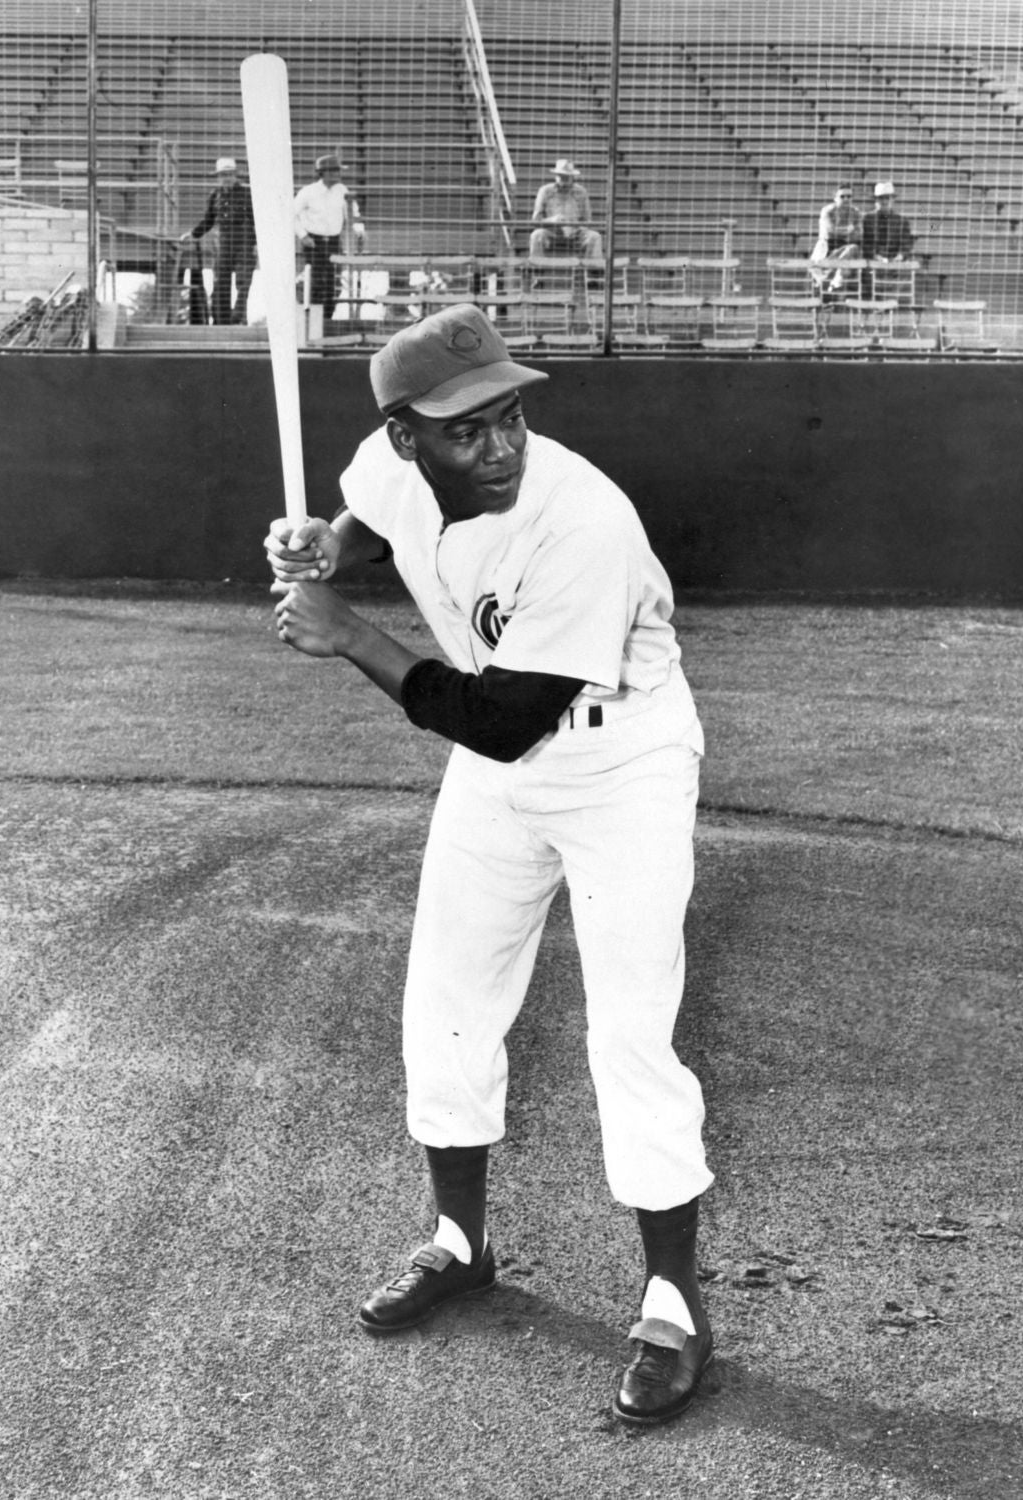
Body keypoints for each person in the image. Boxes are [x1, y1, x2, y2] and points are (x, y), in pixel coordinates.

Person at [264, 303, 715, 1428]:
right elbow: (370, 513)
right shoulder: (392, 457)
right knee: (446, 1004)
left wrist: (350, 633)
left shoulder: (583, 519)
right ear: (409, 435)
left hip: (622, 759)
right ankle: (459, 1243)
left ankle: (672, 1300)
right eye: (466, 428)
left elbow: (506, 718)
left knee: (627, 1026)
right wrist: (330, 544)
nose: (499, 443)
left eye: (507, 412)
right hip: (491, 761)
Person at [181, 156, 256, 326]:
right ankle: (222, 321)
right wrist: (193, 234)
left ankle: (239, 316)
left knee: (243, 281)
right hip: (224, 240)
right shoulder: (215, 195)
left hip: (245, 239)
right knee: (221, 281)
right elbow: (209, 220)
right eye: (223, 175)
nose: (226, 178)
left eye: (229, 174)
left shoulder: (247, 193)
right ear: (218, 177)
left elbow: (256, 220)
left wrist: (256, 244)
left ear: (235, 175)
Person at [293, 153, 365, 323]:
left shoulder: (342, 191)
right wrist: (303, 236)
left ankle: (326, 320)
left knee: (333, 283)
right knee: (315, 282)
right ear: (322, 173)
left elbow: (352, 214)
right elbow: (291, 214)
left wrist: (359, 230)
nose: (337, 175)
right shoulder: (308, 192)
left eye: (337, 171)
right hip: (313, 243)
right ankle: (313, 320)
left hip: (333, 242)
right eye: (333, 171)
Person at [529, 158, 605, 259]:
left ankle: (593, 270)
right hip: (551, 233)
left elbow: (587, 221)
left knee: (594, 237)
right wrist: (552, 221)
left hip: (576, 233)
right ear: (556, 176)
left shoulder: (581, 192)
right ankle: (536, 267)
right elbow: (535, 221)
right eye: (561, 177)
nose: (563, 180)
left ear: (572, 177)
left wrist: (574, 226)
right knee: (536, 235)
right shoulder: (545, 191)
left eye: (566, 177)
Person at [809, 184, 863, 291]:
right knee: (846, 264)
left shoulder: (856, 213)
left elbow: (859, 234)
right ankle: (833, 282)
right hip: (828, 252)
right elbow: (830, 231)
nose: (846, 199)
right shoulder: (827, 211)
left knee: (853, 249)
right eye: (842, 196)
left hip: (846, 251)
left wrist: (841, 231)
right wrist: (849, 229)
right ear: (835, 198)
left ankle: (830, 282)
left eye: (849, 196)